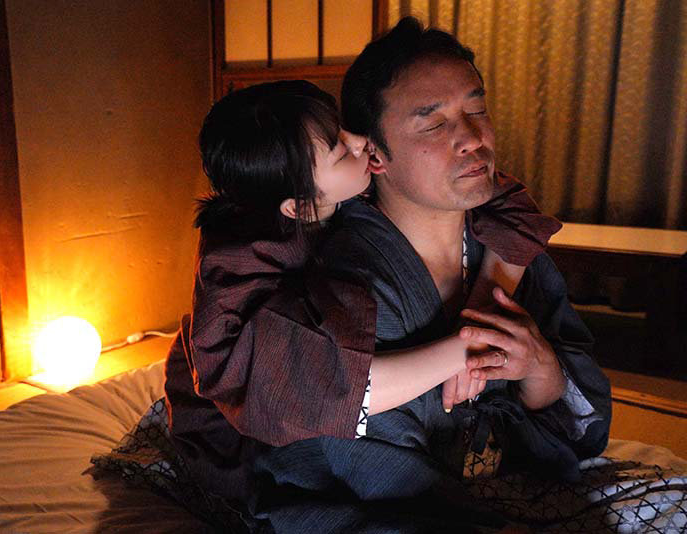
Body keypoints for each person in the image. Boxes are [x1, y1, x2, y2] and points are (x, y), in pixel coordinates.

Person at [163, 74, 571, 531]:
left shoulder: (342, 189)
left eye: (343, 129)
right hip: (244, 415)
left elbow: (510, 202)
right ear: (298, 206)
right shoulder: (240, 265)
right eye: (341, 149)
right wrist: (466, 347)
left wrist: (481, 305)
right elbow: (313, 389)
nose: (359, 140)